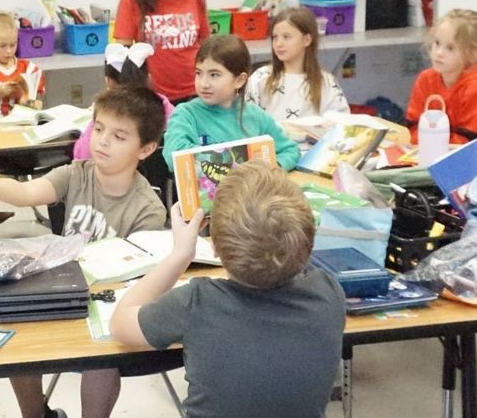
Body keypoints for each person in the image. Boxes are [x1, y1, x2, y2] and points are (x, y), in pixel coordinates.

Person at [0, 86, 168, 418]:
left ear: (145, 149)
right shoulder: (76, 173)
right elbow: (23, 192)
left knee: (101, 360)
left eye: (118, 136)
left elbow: (137, 280)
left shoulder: (148, 210)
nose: (102, 141)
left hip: (106, 305)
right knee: (18, 335)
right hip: (64, 290)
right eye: (98, 128)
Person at [109, 162, 346, 418]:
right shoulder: (328, 292)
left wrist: (180, 255)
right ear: (308, 238)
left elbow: (119, 323)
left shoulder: (196, 303)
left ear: (214, 248)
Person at [163, 34, 299, 170]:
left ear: (239, 80)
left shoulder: (255, 115)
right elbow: (173, 156)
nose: (203, 83)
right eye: (198, 73)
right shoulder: (186, 114)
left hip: (251, 189)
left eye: (214, 75)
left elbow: (290, 150)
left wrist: (272, 168)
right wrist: (232, 163)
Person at [113, 0, 210, 103]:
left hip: (196, 91)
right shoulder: (131, 1)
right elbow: (122, 56)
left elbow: (207, 45)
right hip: (153, 96)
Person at [405, 8, 477, 144]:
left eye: (450, 48)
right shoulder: (426, 79)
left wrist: (430, 143)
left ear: (474, 54)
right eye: (437, 43)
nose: (438, 52)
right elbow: (413, 128)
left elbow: (472, 145)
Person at [72, 41, 174, 160]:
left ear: (108, 81)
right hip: (159, 177)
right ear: (149, 78)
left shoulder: (106, 112)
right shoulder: (164, 106)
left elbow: (81, 155)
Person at [245, 7, 349, 120]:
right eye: (275, 37)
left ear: (307, 40)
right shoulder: (260, 78)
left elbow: (341, 124)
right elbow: (247, 121)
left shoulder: (326, 82)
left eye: (286, 37)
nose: (278, 43)